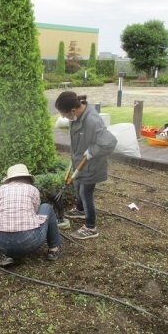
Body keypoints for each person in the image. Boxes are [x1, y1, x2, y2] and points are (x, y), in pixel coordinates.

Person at [55, 92, 117, 240]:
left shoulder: (92, 120)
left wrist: (92, 151)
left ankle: (90, 227)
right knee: (77, 185)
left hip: (92, 165)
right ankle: (80, 210)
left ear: (73, 111)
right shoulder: (77, 117)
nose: (63, 118)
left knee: (85, 193)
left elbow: (110, 142)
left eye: (64, 114)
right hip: (80, 161)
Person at [0, 164, 62, 267]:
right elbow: (35, 214)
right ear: (28, 178)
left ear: (9, 179)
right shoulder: (33, 190)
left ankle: (6, 255)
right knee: (46, 207)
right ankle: (53, 249)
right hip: (29, 242)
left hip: (0, 243)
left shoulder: (0, 190)